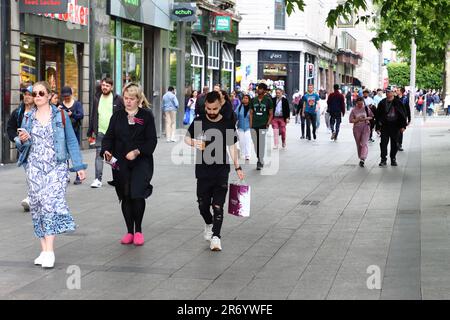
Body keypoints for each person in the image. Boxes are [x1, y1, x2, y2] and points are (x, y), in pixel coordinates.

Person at [16, 81, 87, 269]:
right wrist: (22, 139)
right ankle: (44, 250)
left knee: (49, 205)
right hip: (34, 168)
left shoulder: (60, 115)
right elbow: (20, 144)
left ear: (49, 95)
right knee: (38, 207)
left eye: (41, 93)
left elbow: (71, 141)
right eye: (35, 93)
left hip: (56, 167)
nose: (37, 96)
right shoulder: (28, 117)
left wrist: (78, 166)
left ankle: (50, 251)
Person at [185, 91, 245, 251]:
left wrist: (237, 166)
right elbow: (186, 138)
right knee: (203, 205)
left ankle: (216, 237)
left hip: (221, 170)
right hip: (203, 171)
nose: (211, 112)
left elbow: (232, 146)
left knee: (218, 205)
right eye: (208, 109)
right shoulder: (199, 121)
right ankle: (209, 223)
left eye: (215, 109)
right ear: (205, 106)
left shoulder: (227, 123)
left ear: (220, 106)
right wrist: (195, 143)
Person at [101, 83, 157, 246]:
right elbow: (108, 137)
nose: (128, 102)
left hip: (141, 161)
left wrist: (138, 151)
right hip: (121, 163)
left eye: (132, 99)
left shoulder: (146, 116)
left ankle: (138, 230)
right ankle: (129, 231)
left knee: (137, 194)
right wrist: (106, 151)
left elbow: (152, 141)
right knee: (125, 195)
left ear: (138, 99)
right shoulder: (117, 116)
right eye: (126, 98)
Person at [88, 77, 125, 188]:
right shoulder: (96, 98)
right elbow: (93, 115)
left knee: (113, 156)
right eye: (103, 85)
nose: (104, 87)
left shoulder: (118, 99)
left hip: (114, 133)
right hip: (100, 132)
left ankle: (118, 178)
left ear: (111, 87)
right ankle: (97, 179)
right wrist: (90, 131)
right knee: (99, 155)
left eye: (107, 85)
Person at [7, 85, 35, 212]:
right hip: (23, 149)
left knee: (32, 172)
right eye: (25, 94)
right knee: (30, 172)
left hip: (37, 147)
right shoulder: (18, 112)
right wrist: (16, 139)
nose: (27, 96)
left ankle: (31, 198)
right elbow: (10, 128)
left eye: (29, 94)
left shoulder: (39, 112)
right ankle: (34, 197)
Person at [375, 88, 407, 167]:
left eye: (390, 92)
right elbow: (378, 115)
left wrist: (403, 126)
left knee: (394, 143)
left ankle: (393, 158)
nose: (388, 93)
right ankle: (383, 159)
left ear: (393, 93)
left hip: (395, 126)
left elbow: (403, 114)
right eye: (387, 92)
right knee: (383, 143)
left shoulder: (398, 102)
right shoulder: (382, 103)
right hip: (385, 126)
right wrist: (378, 127)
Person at [59, 86, 84, 185]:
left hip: (75, 131)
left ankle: (78, 175)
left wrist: (72, 114)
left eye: (68, 96)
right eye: (64, 96)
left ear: (71, 95)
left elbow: (81, 115)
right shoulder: (61, 105)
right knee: (64, 154)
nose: (66, 98)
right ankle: (65, 175)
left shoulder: (77, 104)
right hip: (63, 132)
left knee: (75, 153)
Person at [250, 83, 273, 170]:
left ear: (264, 91)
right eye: (258, 88)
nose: (258, 90)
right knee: (255, 143)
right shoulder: (253, 100)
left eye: (260, 89)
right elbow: (251, 113)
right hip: (254, 125)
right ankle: (259, 157)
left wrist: (268, 123)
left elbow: (271, 113)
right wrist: (251, 125)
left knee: (261, 142)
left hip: (263, 125)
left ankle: (260, 161)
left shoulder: (268, 100)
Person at [349, 97, 374, 167]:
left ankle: (363, 158)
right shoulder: (353, 110)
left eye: (361, 104)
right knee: (359, 144)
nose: (360, 105)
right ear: (356, 103)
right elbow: (351, 120)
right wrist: (357, 119)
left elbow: (371, 116)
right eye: (359, 104)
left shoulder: (366, 108)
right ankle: (360, 157)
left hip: (366, 127)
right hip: (357, 129)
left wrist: (365, 118)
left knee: (364, 143)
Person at [235, 94, 252, 161]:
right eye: (244, 98)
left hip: (249, 127)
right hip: (240, 127)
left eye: (246, 98)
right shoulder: (239, 107)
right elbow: (236, 115)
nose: (245, 99)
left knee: (247, 141)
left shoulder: (251, 108)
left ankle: (248, 155)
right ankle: (243, 153)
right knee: (241, 141)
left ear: (249, 100)